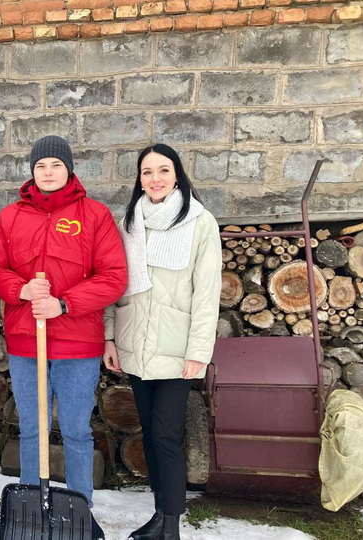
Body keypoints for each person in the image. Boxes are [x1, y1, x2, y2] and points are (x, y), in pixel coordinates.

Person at [0, 135, 127, 540]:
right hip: (25, 341)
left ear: (69, 170)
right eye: (40, 166)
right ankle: (34, 508)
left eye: (55, 166)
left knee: (77, 429)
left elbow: (113, 277)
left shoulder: (94, 214)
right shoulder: (11, 216)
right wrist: (21, 290)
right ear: (31, 172)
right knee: (31, 428)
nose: (47, 173)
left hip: (76, 344)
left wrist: (64, 305)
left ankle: (80, 509)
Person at [103, 144, 221, 540]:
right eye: (147, 172)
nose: (155, 179)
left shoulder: (200, 222)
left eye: (163, 170)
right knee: (150, 433)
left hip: (176, 349)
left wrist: (198, 353)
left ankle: (171, 524)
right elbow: (114, 284)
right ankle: (159, 514)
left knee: (167, 433)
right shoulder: (129, 222)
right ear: (139, 179)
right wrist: (110, 337)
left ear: (177, 175)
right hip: (135, 344)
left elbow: (207, 294)